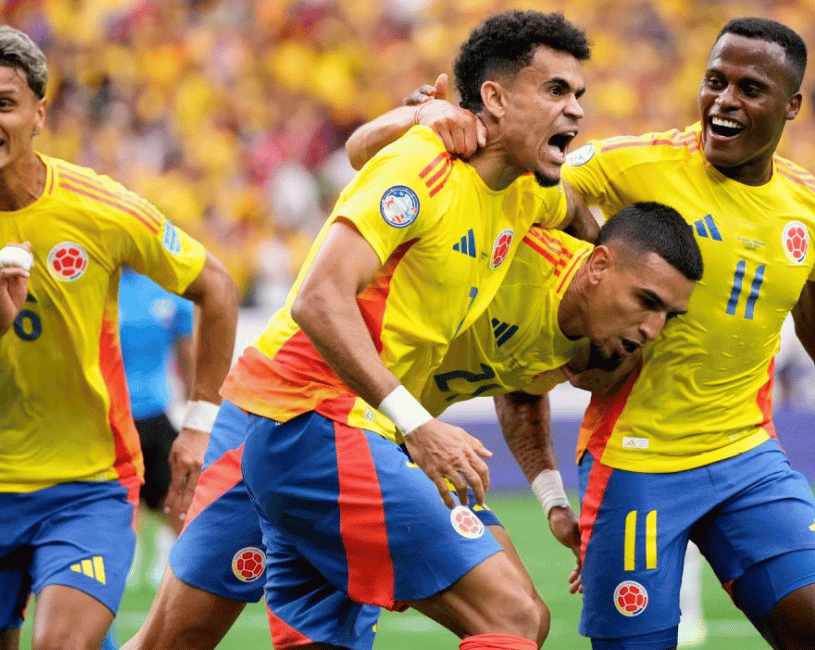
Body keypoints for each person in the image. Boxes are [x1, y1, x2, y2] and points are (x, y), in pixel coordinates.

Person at [360, 16, 815, 650]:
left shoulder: (813, 211)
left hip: (746, 453)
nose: (724, 100)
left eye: (750, 89)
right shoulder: (634, 164)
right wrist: (427, 121)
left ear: (791, 106)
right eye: (715, 81)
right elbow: (509, 167)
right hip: (633, 461)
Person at [123, 202, 700, 650]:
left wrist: (552, 500)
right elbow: (400, 165)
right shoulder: (514, 251)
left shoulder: (580, 332)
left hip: (376, 437)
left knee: (521, 615)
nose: (649, 332)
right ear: (599, 268)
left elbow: (523, 390)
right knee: (177, 638)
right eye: (645, 304)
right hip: (286, 410)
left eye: (666, 318)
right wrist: (421, 115)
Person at [226, 11, 593, 650]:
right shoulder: (425, 164)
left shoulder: (526, 193)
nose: (576, 110)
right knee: (511, 618)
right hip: (312, 418)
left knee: (520, 618)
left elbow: (583, 218)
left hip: (344, 433)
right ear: (495, 98)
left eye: (578, 94)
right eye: (555, 90)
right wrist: (418, 425)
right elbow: (318, 299)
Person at [0, 25, 239, 650]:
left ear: (39, 113)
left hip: (89, 483)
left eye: (3, 103)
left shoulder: (98, 208)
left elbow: (216, 286)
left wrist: (198, 426)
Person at [118, 268, 196, 587]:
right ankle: (125, 555)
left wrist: (195, 410)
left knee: (174, 495)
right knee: (119, 496)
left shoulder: (168, 289)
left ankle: (174, 558)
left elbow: (186, 350)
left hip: (155, 409)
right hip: (112, 414)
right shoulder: (101, 283)